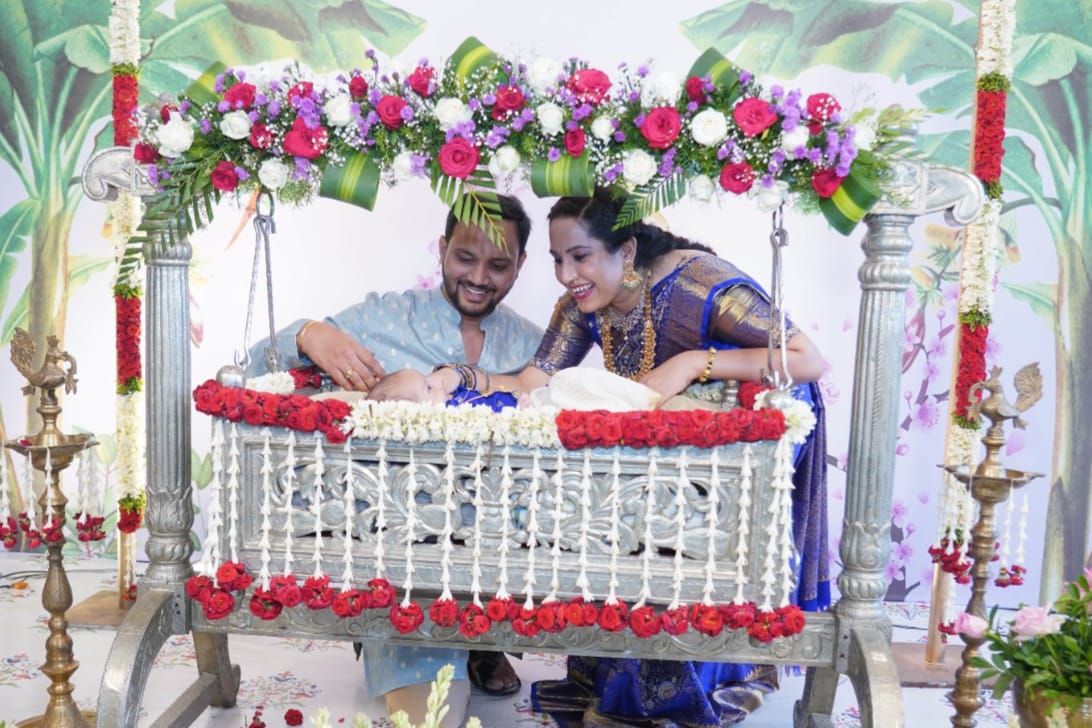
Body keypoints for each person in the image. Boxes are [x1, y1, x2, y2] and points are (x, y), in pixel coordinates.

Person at [494, 189, 830, 727]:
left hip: (752, 426)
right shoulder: (584, 301)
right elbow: (534, 380)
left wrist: (696, 362)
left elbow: (806, 359)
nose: (565, 275)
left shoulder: (699, 281)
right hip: (667, 446)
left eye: (579, 256)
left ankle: (701, 678)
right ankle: (624, 679)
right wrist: (454, 379)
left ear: (626, 250)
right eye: (558, 260)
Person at [248, 193, 540, 725]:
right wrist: (310, 334)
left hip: (496, 561)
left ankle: (483, 641)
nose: (479, 278)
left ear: (521, 264)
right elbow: (254, 364)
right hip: (403, 563)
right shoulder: (386, 316)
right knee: (434, 720)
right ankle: (406, 643)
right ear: (441, 249)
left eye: (498, 265)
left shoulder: (530, 343)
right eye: (464, 258)